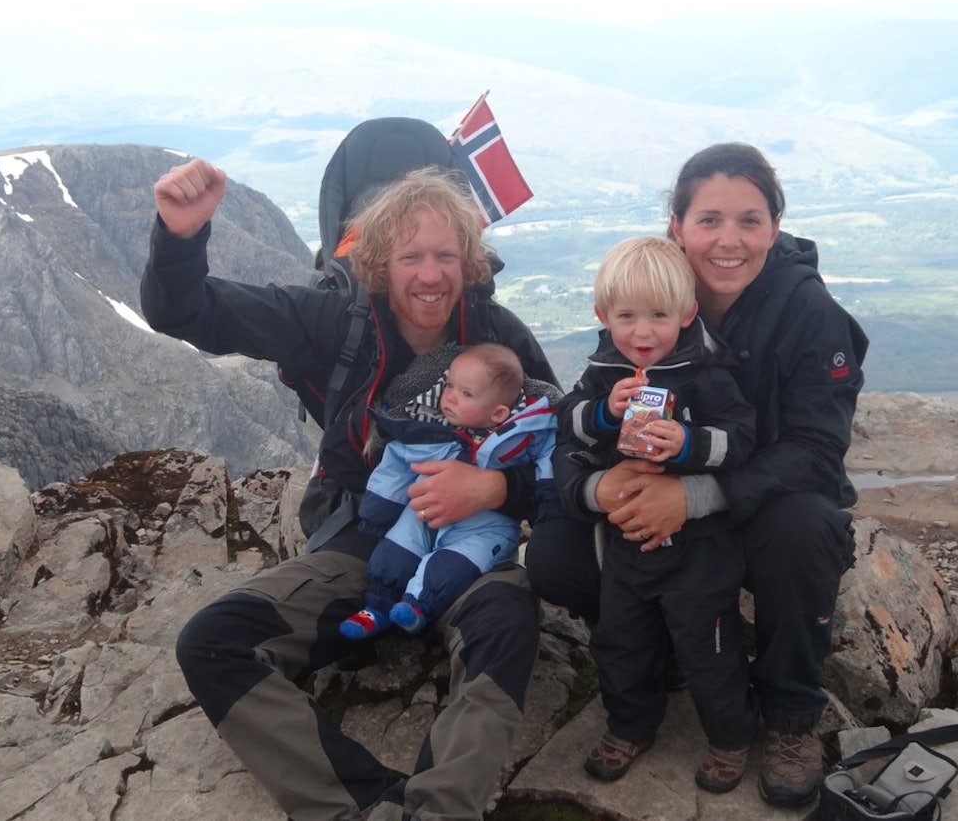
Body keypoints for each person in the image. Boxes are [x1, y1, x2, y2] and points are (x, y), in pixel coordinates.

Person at [141, 159, 559, 821]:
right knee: (213, 641)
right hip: (365, 539)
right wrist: (181, 236)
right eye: (411, 255)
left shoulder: (498, 338)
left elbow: (560, 462)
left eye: (446, 256)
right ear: (379, 263)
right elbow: (184, 311)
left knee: (507, 623)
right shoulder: (333, 320)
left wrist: (493, 488)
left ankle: (441, 810)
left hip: (470, 544)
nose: (430, 274)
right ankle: (369, 807)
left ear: (469, 261)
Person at [527, 143, 868, 808]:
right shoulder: (648, 300)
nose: (729, 240)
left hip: (761, 501)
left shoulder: (806, 313)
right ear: (677, 227)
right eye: (709, 220)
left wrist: (692, 496)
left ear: (775, 226)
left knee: (805, 528)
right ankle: (665, 658)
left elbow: (815, 449)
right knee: (554, 557)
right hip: (668, 506)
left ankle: (789, 717)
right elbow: (582, 416)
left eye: (750, 220)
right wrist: (601, 489)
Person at [552, 235, 758, 792]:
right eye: (627, 316)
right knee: (621, 641)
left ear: (687, 313)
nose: (643, 333)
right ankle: (630, 726)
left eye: (659, 316)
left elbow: (741, 439)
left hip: (699, 548)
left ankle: (730, 736)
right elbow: (564, 424)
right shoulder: (602, 375)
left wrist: (686, 444)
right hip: (625, 549)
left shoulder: (707, 375)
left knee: (708, 645)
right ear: (603, 315)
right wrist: (602, 411)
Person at [340, 342, 560, 639]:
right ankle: (375, 608)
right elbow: (396, 463)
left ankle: (417, 606)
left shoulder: (523, 436)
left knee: (454, 565)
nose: (450, 398)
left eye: (466, 394)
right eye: (450, 386)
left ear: (498, 413)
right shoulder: (429, 430)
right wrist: (378, 510)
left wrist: (547, 494)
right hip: (421, 512)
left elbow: (550, 456)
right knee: (395, 551)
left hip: (483, 527)